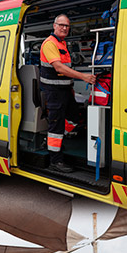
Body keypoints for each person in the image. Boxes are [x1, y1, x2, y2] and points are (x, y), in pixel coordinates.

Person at [39, 14, 96, 174]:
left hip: (65, 91)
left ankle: (51, 142)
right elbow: (59, 68)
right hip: (54, 92)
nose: (64, 28)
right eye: (61, 25)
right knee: (56, 127)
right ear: (54, 25)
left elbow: (65, 72)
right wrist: (84, 76)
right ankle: (55, 161)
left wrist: (71, 87)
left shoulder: (62, 43)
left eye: (67, 26)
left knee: (74, 118)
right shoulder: (50, 44)